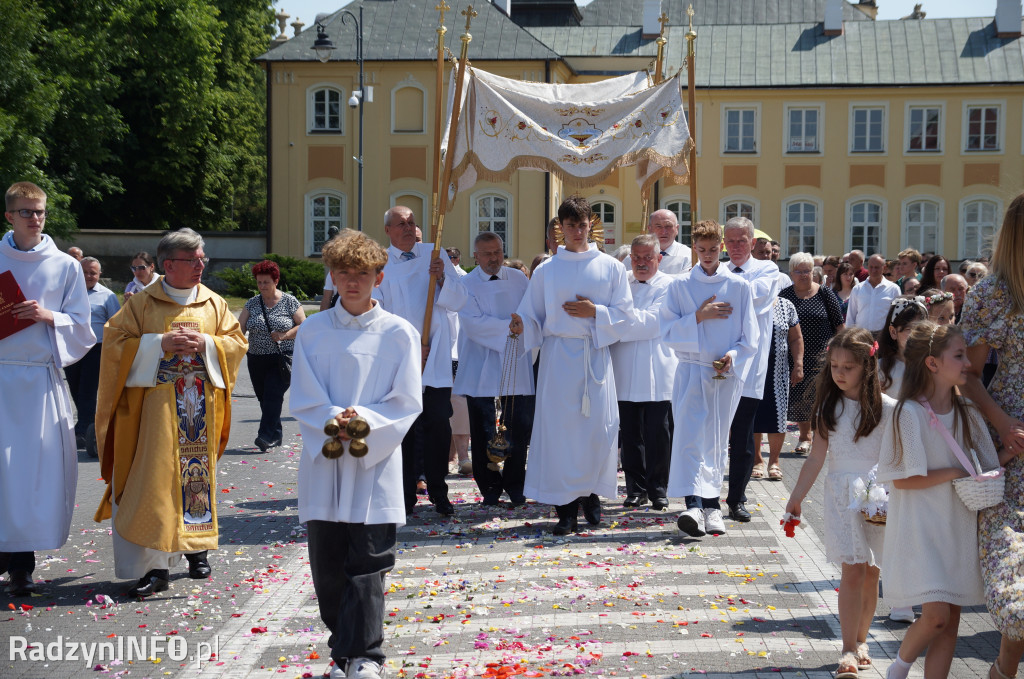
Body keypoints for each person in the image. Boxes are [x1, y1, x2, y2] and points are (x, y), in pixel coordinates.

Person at [289, 229, 422, 679]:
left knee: (369, 562)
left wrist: (362, 419)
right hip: (325, 460)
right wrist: (333, 418)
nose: (351, 281)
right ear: (332, 275)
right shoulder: (313, 330)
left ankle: (365, 655)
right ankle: (343, 652)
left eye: (361, 273)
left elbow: (407, 400)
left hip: (373, 462)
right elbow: (303, 394)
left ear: (378, 278)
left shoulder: (399, 333)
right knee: (328, 566)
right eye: (343, 272)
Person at [94, 228, 247, 597]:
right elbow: (114, 343)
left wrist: (208, 344)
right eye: (192, 260)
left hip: (199, 413)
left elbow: (236, 342)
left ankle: (197, 550)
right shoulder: (143, 304)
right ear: (168, 264)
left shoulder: (214, 303)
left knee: (196, 479)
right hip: (157, 414)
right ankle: (156, 567)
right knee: (156, 485)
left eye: (201, 259)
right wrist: (157, 343)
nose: (200, 266)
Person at [877, 321, 1000, 679]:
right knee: (936, 617)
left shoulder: (967, 412)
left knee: (951, 621)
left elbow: (986, 466)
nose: (969, 363)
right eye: (959, 356)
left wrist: (1011, 449)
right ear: (932, 363)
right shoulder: (909, 413)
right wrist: (954, 472)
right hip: (921, 528)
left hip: (957, 527)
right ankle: (899, 667)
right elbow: (903, 479)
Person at [509, 195, 634, 535]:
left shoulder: (611, 267)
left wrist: (596, 312)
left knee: (596, 430)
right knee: (561, 433)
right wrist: (522, 324)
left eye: (582, 225)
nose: (577, 231)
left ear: (591, 225)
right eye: (570, 226)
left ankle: (590, 492)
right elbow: (532, 314)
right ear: (560, 229)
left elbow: (626, 316)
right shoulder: (547, 270)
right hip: (558, 358)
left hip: (594, 355)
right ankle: (565, 509)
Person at [0, 181, 95, 596]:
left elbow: (83, 328)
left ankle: (22, 566)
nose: (35, 218)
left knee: (30, 475)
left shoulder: (65, 266)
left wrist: (48, 316)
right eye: (26, 211)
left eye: (39, 211)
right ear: (9, 216)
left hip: (38, 380)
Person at [785, 327, 896, 678]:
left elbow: (898, 458)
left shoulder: (889, 408)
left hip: (879, 498)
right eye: (834, 366)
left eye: (848, 367)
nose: (839, 373)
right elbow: (816, 458)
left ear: (867, 365)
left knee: (872, 572)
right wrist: (796, 497)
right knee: (852, 570)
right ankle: (847, 648)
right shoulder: (828, 406)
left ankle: (862, 640)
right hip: (842, 498)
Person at [960, 193, 1024, 679]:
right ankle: (1003, 668)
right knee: (1014, 582)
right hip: (1012, 447)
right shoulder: (992, 294)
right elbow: (967, 373)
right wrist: (1003, 424)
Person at [663, 219, 758, 537]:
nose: (707, 255)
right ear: (694, 247)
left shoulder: (739, 286)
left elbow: (750, 337)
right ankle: (692, 505)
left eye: (713, 249)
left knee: (716, 441)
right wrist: (698, 317)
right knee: (689, 438)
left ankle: (712, 506)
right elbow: (666, 332)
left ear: (722, 247)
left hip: (722, 374)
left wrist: (732, 356)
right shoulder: (679, 286)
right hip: (691, 369)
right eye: (701, 249)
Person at [376, 206, 468, 517]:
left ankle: (439, 492)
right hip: (400, 361)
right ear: (388, 230)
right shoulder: (380, 263)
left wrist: (441, 278)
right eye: (400, 223)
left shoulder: (434, 253)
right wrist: (410, 347)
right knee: (405, 430)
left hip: (436, 359)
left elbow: (460, 299)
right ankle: (404, 496)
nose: (407, 228)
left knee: (438, 426)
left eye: (411, 222)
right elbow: (379, 313)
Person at [456, 232, 535, 507]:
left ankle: (516, 485)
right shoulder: (465, 284)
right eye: (487, 253)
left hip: (516, 362)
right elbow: (473, 324)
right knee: (483, 430)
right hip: (481, 365)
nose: (493, 258)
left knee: (517, 429)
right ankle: (489, 487)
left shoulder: (519, 280)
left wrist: (523, 325)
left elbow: (531, 312)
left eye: (497, 252)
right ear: (475, 255)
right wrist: (510, 328)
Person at [607, 234, 676, 510]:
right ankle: (635, 489)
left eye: (648, 257)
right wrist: (620, 324)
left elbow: (653, 323)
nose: (641, 262)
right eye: (636, 257)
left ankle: (658, 489)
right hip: (623, 367)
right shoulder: (619, 282)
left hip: (657, 368)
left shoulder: (670, 285)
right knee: (630, 434)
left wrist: (619, 325)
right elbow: (614, 320)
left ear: (659, 258)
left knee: (658, 433)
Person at [721, 216, 781, 522]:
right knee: (714, 434)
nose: (735, 247)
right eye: (729, 241)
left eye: (741, 241)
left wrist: (719, 292)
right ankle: (705, 498)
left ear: (753, 242)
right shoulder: (717, 269)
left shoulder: (767, 270)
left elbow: (750, 299)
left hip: (749, 365)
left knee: (742, 436)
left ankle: (737, 499)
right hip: (718, 361)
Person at [237, 259, 306, 451]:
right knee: (264, 398)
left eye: (266, 282)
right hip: (256, 359)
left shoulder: (289, 301)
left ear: (276, 281)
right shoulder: (252, 303)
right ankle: (276, 435)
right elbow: (239, 329)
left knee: (273, 395)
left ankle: (265, 436)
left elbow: (304, 325)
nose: (262, 286)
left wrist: (285, 335)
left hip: (282, 358)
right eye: (259, 282)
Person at [781, 252, 845, 454]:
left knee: (823, 397)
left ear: (813, 272)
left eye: (807, 271)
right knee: (800, 396)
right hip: (795, 355)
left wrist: (842, 351)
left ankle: (822, 437)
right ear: (791, 274)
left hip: (823, 355)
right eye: (798, 271)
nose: (803, 275)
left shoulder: (825, 293)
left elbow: (839, 325)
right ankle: (804, 437)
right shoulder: (785, 296)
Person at [66, 256, 121, 457]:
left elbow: (116, 324)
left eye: (93, 273)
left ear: (99, 275)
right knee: (74, 388)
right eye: (85, 272)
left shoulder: (108, 296)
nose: (88, 276)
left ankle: (83, 431)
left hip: (96, 348)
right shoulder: (67, 292)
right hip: (72, 348)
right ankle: (87, 424)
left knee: (87, 391)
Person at [751, 295, 803, 482]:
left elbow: (796, 338)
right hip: (751, 372)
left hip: (778, 372)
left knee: (778, 415)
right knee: (753, 415)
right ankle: (757, 460)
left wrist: (798, 364)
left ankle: (774, 462)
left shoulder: (785, 305)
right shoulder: (748, 300)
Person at [877, 297, 928, 399]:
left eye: (920, 329)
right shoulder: (881, 368)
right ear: (893, 332)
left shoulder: (930, 364)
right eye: (908, 329)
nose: (915, 334)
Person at [622, 209, 693, 277]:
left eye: (668, 226)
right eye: (658, 226)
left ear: (676, 229)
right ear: (649, 229)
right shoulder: (634, 257)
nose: (663, 232)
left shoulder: (688, 256)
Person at [846, 254, 900, 333]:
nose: (874, 270)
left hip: (883, 335)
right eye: (871, 267)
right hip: (861, 335)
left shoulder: (894, 289)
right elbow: (851, 316)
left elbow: (897, 316)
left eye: (877, 267)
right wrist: (849, 335)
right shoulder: (857, 289)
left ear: (884, 268)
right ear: (867, 267)